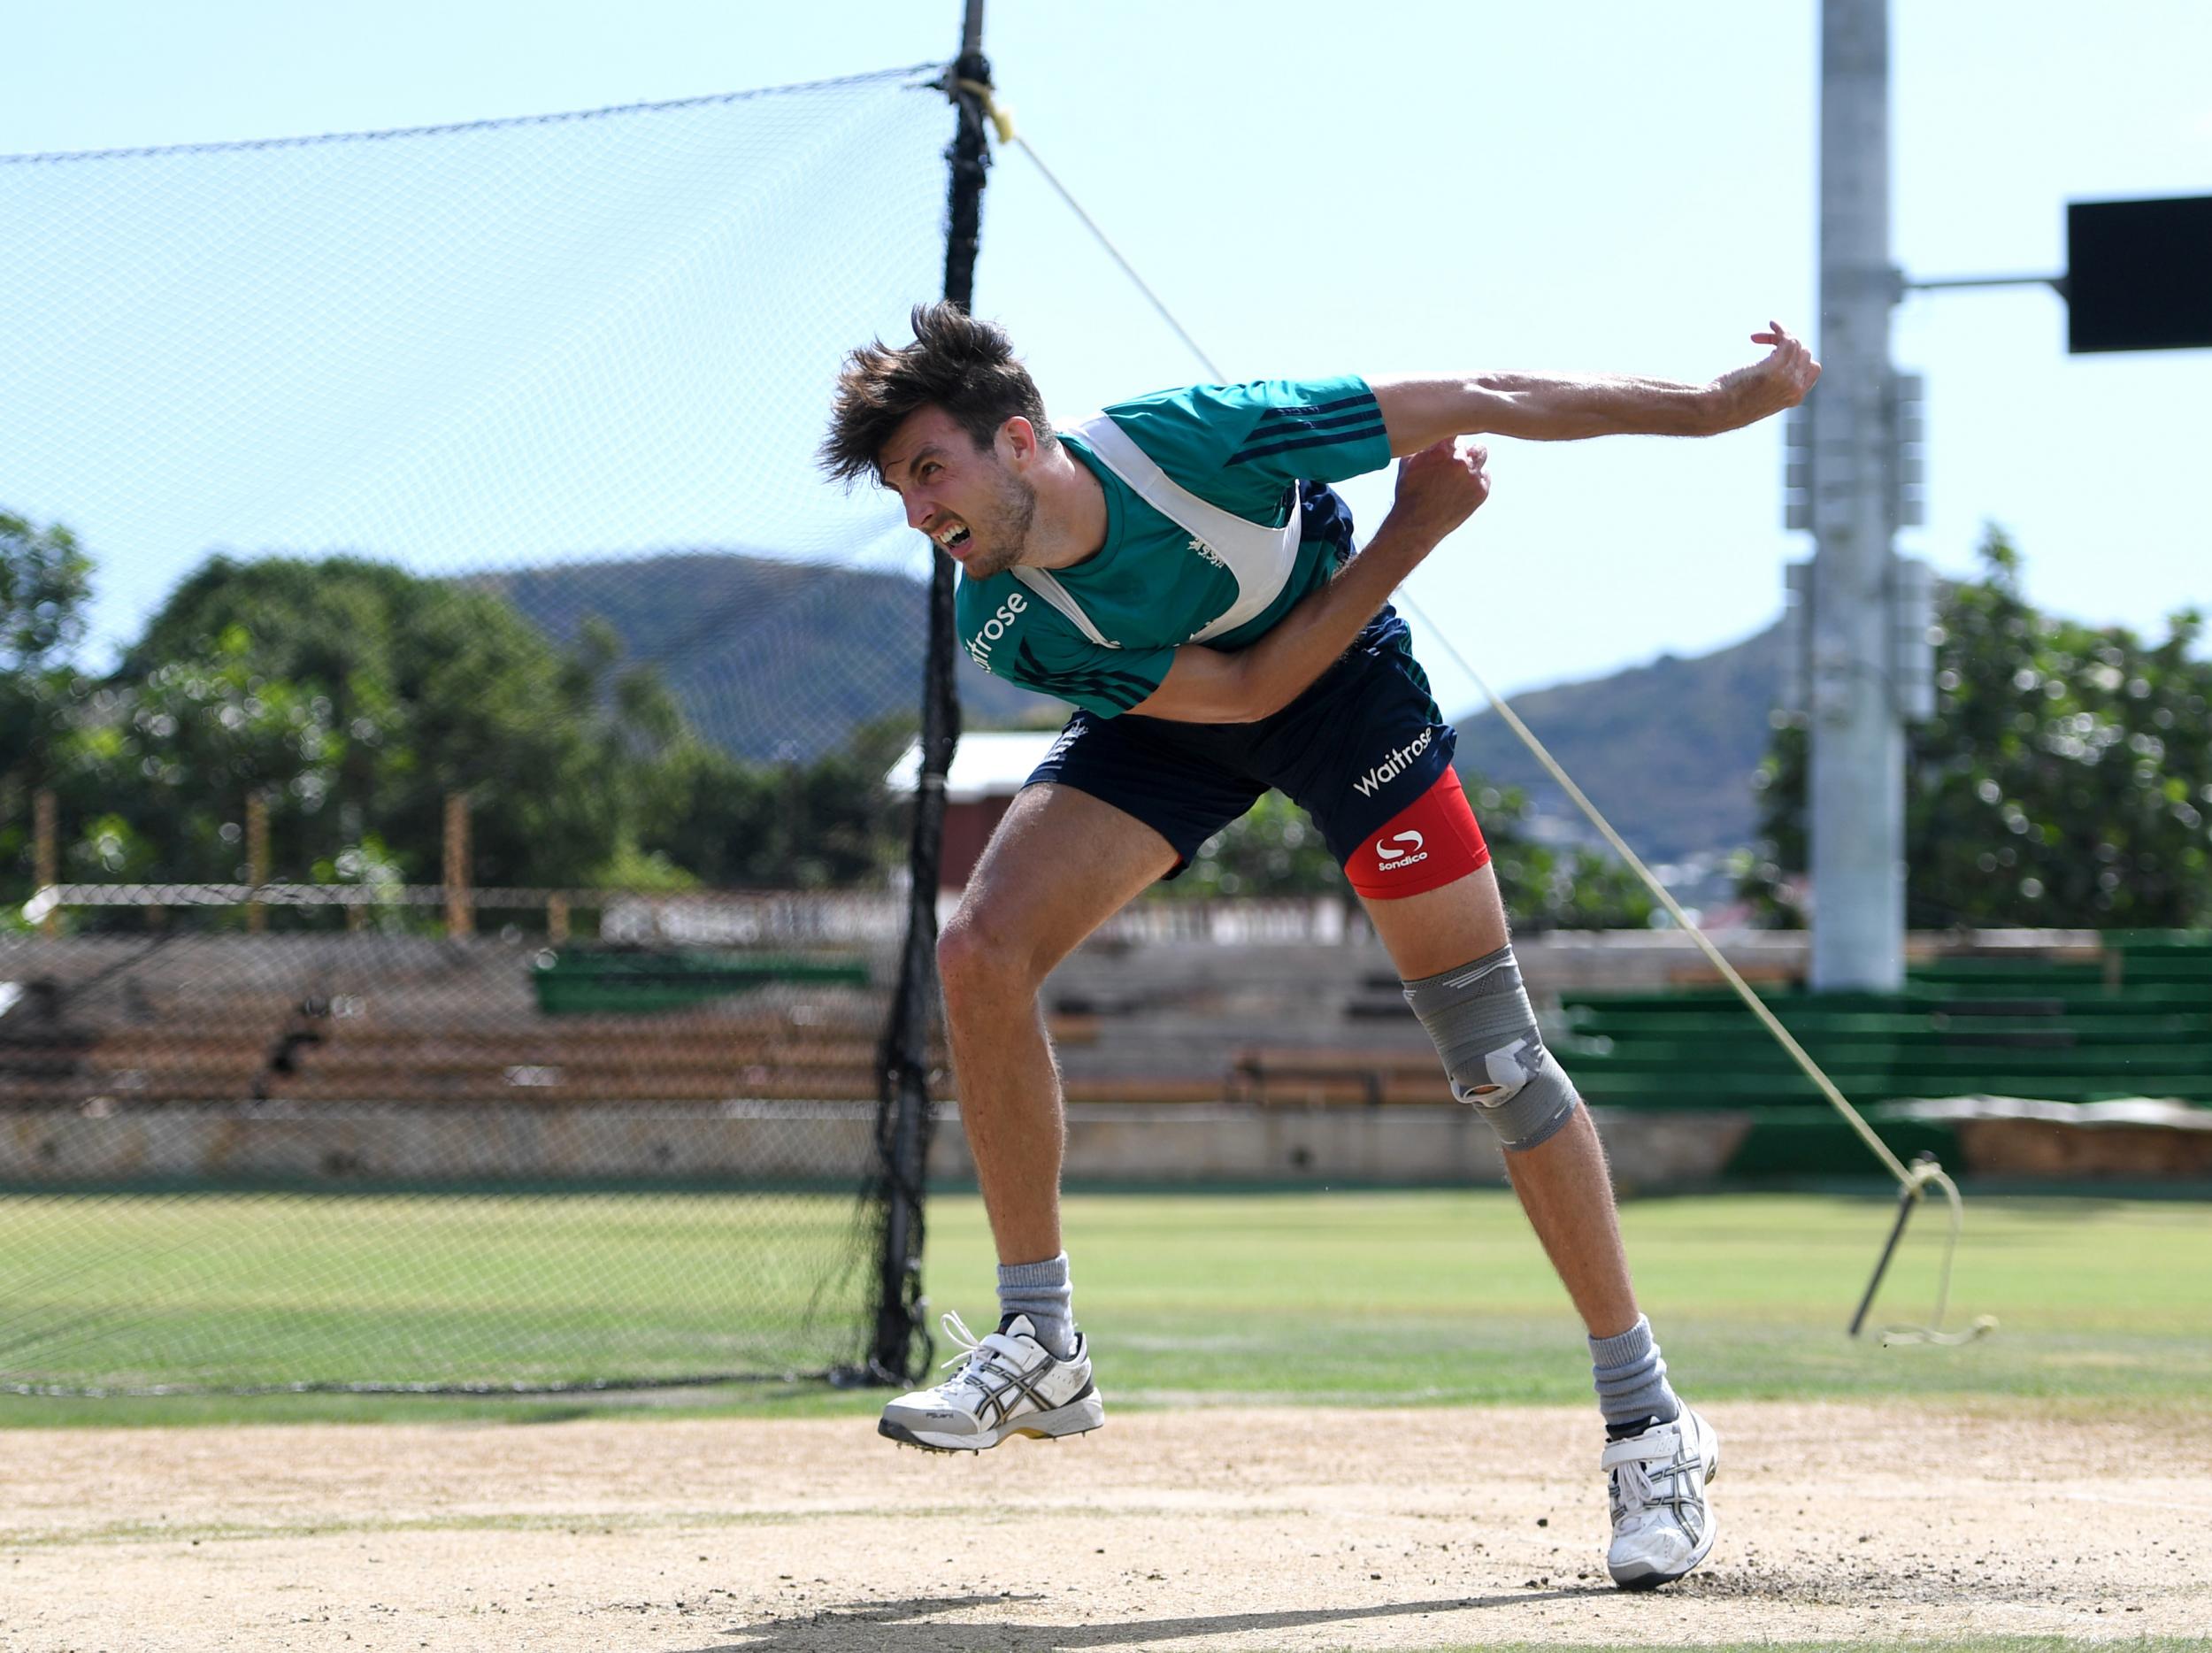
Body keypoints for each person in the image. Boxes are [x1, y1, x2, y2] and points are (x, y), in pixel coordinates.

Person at [819, 304, 1818, 1589]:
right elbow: (1235, 698)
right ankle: (1040, 1337)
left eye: (928, 471)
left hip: (1348, 698)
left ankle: (1650, 1423)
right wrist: (1409, 534)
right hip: (1204, 708)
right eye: (902, 488)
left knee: (1496, 1058)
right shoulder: (1005, 614)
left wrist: (1714, 404)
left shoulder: (1202, 442)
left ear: (1019, 438)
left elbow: (1486, 390)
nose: (916, 514)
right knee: (980, 952)